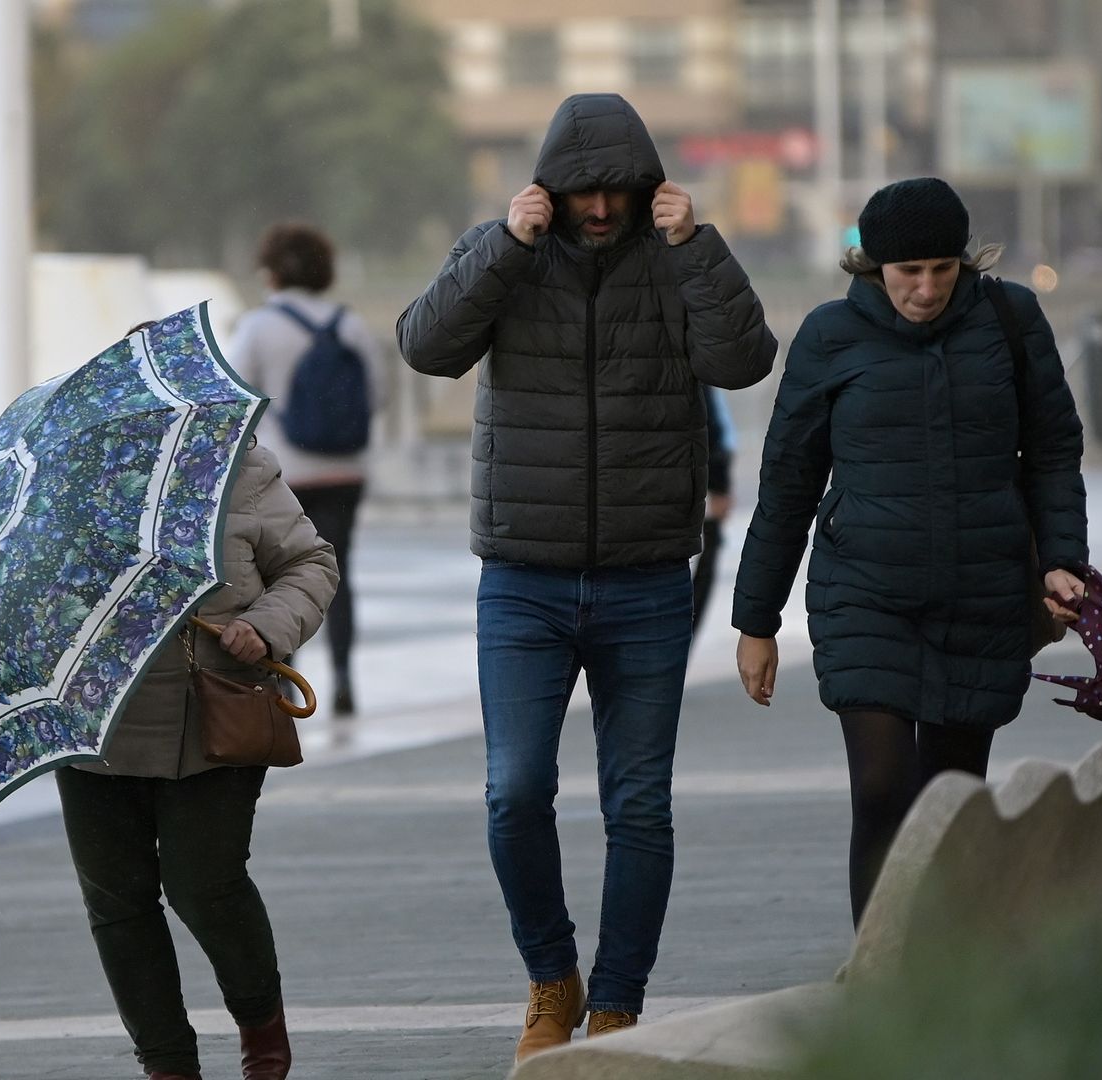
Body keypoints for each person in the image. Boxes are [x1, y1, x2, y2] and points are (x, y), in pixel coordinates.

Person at [396, 92, 776, 1060]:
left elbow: (743, 359)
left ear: (644, 182)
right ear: (549, 189)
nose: (600, 207)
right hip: (522, 574)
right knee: (514, 791)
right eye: (581, 190)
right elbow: (425, 346)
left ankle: (617, 1003)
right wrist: (505, 249)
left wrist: (699, 246)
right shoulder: (506, 250)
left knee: (638, 803)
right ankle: (550, 976)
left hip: (648, 577)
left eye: (616, 188)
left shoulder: (673, 255)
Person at [730, 177, 1089, 926]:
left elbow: (1053, 449)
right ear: (872, 267)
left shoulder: (1010, 319)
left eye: (941, 270)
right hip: (865, 593)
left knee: (952, 796)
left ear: (964, 262)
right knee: (884, 786)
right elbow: (787, 482)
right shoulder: (830, 337)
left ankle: (943, 981)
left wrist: (1062, 558)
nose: (925, 290)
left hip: (982, 589)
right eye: (907, 273)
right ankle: (881, 982)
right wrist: (756, 619)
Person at [56, 437, 340, 1080]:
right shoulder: (71, 476)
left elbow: (310, 564)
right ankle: (167, 1064)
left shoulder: (238, 467)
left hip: (217, 715)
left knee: (204, 885)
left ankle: (261, 1022)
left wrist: (266, 625)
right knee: (116, 899)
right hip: (93, 722)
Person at [229, 222, 386, 716]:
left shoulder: (257, 326)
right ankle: (342, 678)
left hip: (283, 478)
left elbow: (234, 400)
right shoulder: (351, 325)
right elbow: (377, 396)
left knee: (278, 581)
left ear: (271, 272)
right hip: (346, 472)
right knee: (336, 573)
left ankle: (286, 681)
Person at [692, 386, 736, 637]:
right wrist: (719, 489)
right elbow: (713, 429)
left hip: (711, 477)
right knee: (704, 567)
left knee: (706, 565)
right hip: (707, 481)